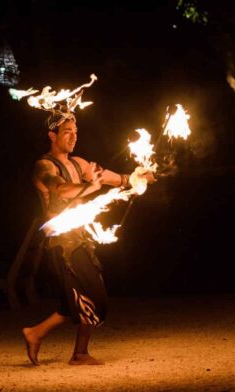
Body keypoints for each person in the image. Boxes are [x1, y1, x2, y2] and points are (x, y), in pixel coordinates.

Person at [22, 108, 154, 366]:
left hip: (80, 238)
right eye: (67, 132)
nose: (73, 137)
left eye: (76, 132)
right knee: (90, 297)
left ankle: (66, 347)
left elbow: (117, 179)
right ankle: (43, 336)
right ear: (52, 135)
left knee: (77, 299)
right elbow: (60, 189)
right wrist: (89, 186)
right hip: (59, 243)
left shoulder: (79, 163)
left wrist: (142, 177)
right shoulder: (43, 166)